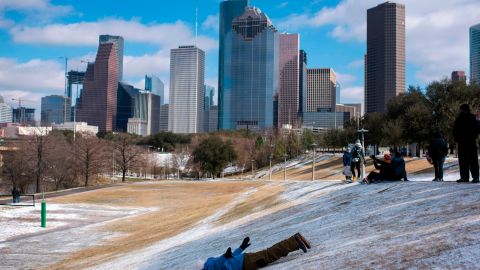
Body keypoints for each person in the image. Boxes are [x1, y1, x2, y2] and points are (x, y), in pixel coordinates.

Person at [202, 233, 311, 270]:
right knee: (269, 254)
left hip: (245, 263)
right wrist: (242, 247)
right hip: (244, 259)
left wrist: (225, 256)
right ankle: (296, 240)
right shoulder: (210, 262)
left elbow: (219, 263)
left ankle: (295, 241)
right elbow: (231, 256)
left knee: (269, 255)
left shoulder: (209, 267)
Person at [453, 104, 480, 183]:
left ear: (461, 109)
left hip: (463, 143)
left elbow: (455, 131)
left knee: (463, 161)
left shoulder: (459, 119)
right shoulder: (472, 118)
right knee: (472, 161)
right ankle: (475, 177)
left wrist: (458, 139)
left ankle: (465, 177)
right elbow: (477, 129)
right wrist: (472, 137)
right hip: (471, 143)